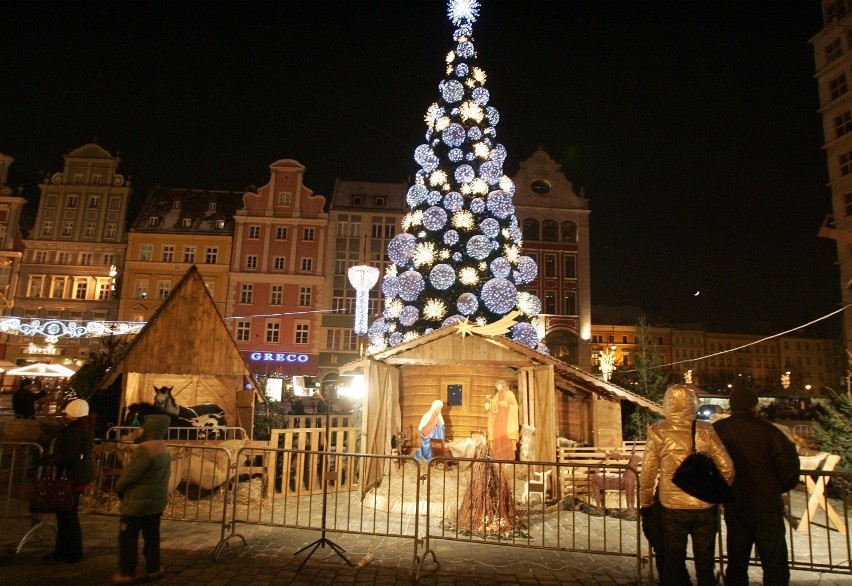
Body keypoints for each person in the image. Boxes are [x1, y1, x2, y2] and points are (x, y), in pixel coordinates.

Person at [639, 384, 734, 586]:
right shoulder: (705, 429)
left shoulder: (658, 431)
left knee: (673, 561)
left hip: (671, 507)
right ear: (694, 403)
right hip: (705, 506)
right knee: (705, 562)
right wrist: (714, 493)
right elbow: (727, 468)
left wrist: (645, 503)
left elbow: (648, 471)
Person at [713, 387, 800, 586]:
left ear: (732, 406)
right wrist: (775, 488)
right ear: (754, 406)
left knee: (737, 561)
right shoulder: (769, 431)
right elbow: (790, 469)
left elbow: (708, 463)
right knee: (774, 561)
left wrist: (722, 491)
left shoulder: (719, 430)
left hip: (735, 503)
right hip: (767, 505)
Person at [111, 414, 172, 584]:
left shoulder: (145, 450)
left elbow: (131, 474)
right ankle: (154, 567)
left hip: (137, 503)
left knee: (128, 538)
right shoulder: (164, 449)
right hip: (155, 503)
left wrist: (119, 486)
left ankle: (126, 571)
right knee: (152, 537)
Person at [44, 398, 95, 564]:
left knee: (67, 516)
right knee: (66, 514)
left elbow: (69, 455)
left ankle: (71, 552)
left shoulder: (75, 430)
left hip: (72, 477)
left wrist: (51, 460)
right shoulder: (82, 428)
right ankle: (63, 550)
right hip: (78, 476)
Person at [485, 379, 519, 460]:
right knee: (497, 435)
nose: (497, 387)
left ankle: (508, 458)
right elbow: (490, 408)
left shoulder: (510, 394)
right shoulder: (497, 395)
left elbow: (515, 406)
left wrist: (507, 405)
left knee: (506, 436)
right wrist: (487, 400)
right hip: (499, 418)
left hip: (508, 419)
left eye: (499, 385)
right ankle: (498, 457)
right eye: (496, 386)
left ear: (503, 385)